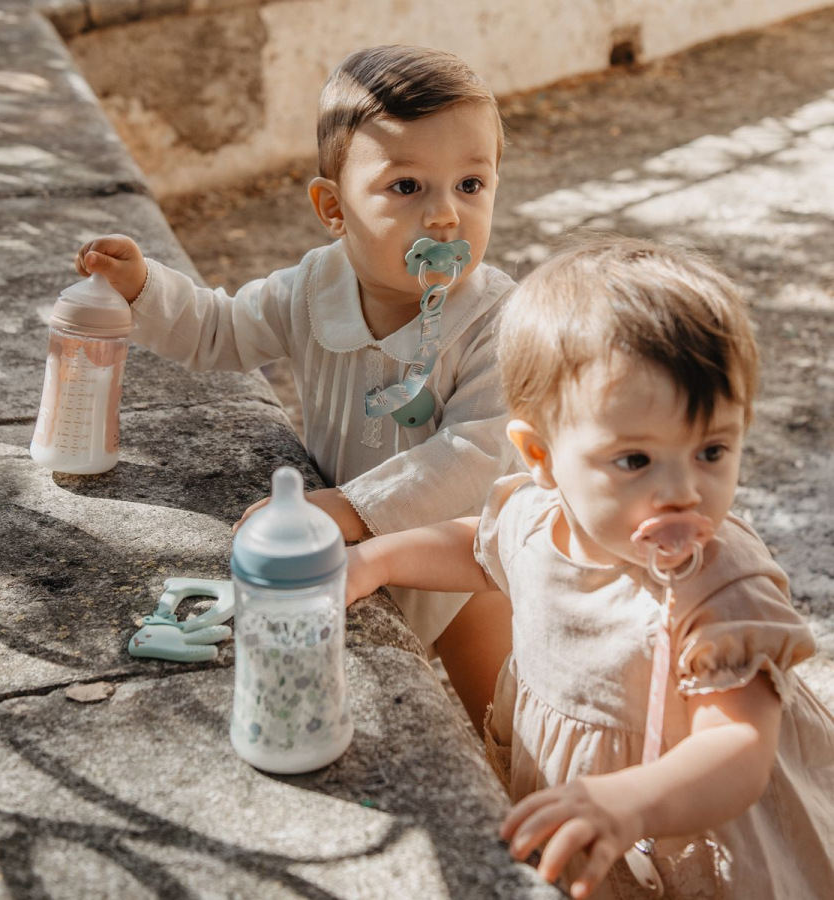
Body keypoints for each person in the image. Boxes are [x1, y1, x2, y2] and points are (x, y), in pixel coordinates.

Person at [345, 235, 834, 899]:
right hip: (584, 815)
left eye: (712, 451)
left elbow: (740, 745)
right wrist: (373, 560)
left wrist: (630, 800)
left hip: (697, 831)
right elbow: (477, 548)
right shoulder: (536, 519)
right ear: (541, 458)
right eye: (635, 460)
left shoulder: (720, 583)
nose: (682, 491)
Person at [74, 45, 516, 733]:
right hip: (347, 541)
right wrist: (143, 288)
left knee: (500, 716)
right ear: (333, 208)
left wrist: (349, 507)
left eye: (470, 184)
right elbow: (219, 330)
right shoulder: (313, 288)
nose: (445, 216)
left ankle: (536, 789)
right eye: (407, 186)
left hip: (465, 560)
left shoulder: (497, 320)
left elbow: (476, 453)